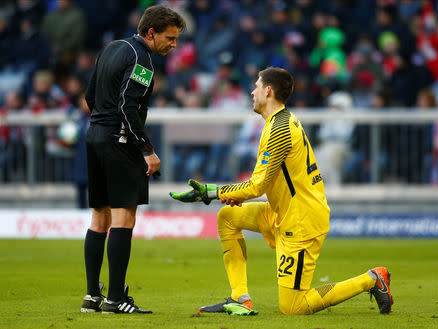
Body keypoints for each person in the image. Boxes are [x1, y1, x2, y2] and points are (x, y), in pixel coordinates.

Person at [170, 67, 393, 316]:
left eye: (256, 85)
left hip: (301, 221)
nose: (252, 91)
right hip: (282, 211)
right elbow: (262, 183)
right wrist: (227, 193)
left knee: (294, 306)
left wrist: (210, 192)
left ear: (268, 90)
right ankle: (239, 299)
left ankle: (371, 279)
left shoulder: (279, 129)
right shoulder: (277, 122)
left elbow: (256, 186)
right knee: (228, 218)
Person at [81, 5, 185, 314]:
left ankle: (92, 296)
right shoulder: (142, 60)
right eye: (170, 38)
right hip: (120, 142)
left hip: (95, 135)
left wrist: (103, 122)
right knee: (123, 218)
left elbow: (89, 95)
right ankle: (115, 298)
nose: (174, 45)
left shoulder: (111, 48)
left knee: (100, 217)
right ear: (151, 33)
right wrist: (147, 149)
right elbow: (128, 106)